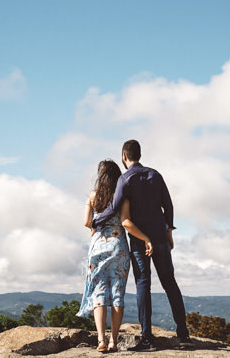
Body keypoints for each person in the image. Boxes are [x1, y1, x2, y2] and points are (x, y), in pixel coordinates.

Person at [94, 140, 193, 351]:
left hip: (140, 239)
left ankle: (147, 339)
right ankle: (183, 334)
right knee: (170, 283)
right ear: (139, 154)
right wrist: (169, 232)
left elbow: (115, 207)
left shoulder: (125, 179)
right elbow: (168, 205)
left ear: (124, 156)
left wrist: (96, 221)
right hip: (160, 235)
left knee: (143, 285)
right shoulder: (155, 175)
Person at [78, 159, 154, 353]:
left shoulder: (93, 196)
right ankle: (113, 341)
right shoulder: (122, 199)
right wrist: (146, 238)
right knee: (117, 294)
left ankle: (101, 341)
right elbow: (126, 221)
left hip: (97, 248)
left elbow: (87, 222)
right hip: (118, 248)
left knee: (100, 294)